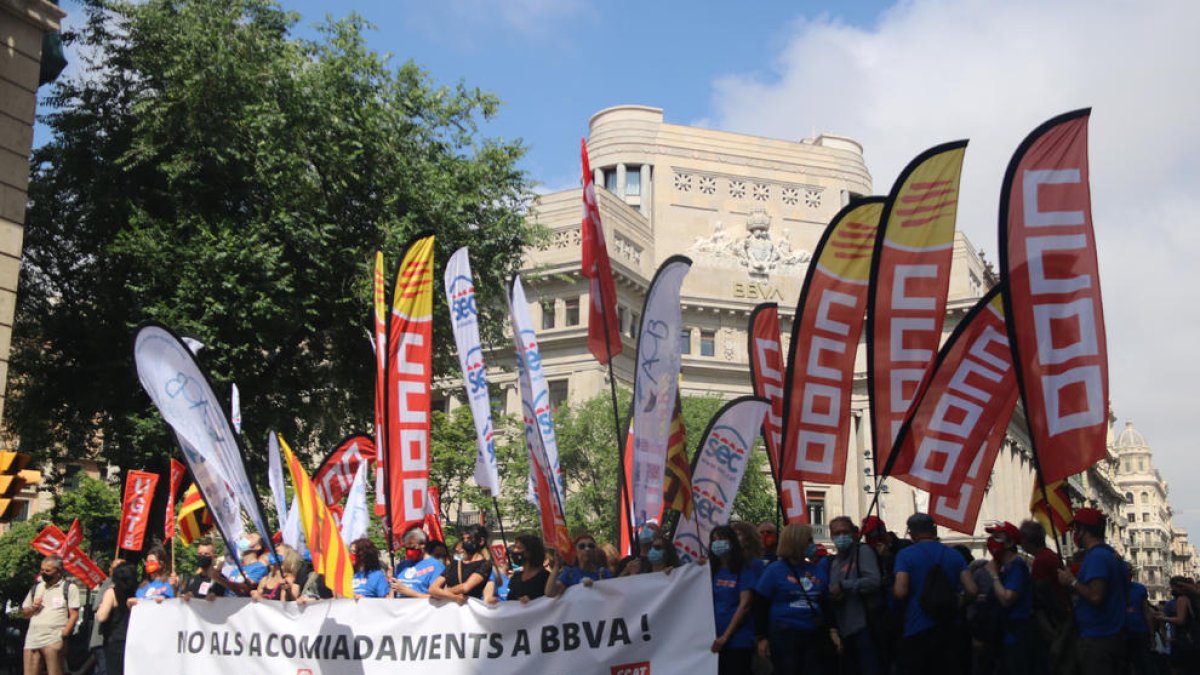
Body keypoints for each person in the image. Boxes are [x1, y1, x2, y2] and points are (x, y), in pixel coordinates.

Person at [892, 512, 977, 675]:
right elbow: (972, 590)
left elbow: (900, 591)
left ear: (911, 533)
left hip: (917, 627)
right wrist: (959, 601)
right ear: (934, 530)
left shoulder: (905, 555)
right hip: (951, 626)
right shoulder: (954, 555)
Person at [1057, 507, 1129, 674]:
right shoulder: (1112, 555)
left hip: (1098, 639)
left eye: (1076, 529)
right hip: (1112, 635)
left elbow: (1096, 596)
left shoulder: (1097, 557)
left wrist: (1071, 581)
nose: (1075, 534)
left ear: (1083, 530)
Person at [752, 523, 829, 674]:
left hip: (813, 635)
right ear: (797, 542)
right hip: (785, 636)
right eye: (809, 540)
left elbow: (824, 599)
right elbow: (760, 604)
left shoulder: (816, 568)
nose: (812, 544)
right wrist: (762, 638)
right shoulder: (775, 570)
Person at [983, 521, 1041, 675]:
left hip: (1017, 634)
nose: (992, 541)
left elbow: (1007, 598)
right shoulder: (1007, 566)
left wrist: (993, 575)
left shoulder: (1016, 567)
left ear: (1009, 542)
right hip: (1009, 633)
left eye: (998, 537)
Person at [828, 515, 883, 675]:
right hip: (843, 628)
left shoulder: (862, 552)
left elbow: (874, 581)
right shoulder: (833, 562)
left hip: (864, 625)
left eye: (845, 532)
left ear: (854, 533)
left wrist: (845, 586)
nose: (841, 537)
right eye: (837, 533)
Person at [21, 556, 81, 675]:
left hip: (54, 638)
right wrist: (33, 607)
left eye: (47, 571)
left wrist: (63, 635)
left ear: (58, 572)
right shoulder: (37, 587)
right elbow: (25, 614)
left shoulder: (69, 588)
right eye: (42, 570)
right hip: (33, 638)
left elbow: (74, 615)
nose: (43, 573)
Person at [707, 525, 754, 675]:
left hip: (738, 641)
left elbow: (745, 605)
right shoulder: (711, 569)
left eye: (721, 538)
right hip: (712, 640)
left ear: (732, 542)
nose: (717, 542)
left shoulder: (744, 569)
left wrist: (725, 636)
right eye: (714, 539)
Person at [430, 525, 491, 603]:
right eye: (463, 539)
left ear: (481, 541)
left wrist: (441, 592)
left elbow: (465, 587)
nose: (465, 541)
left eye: (469, 538)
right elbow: (432, 589)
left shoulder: (485, 565)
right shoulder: (454, 564)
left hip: (471, 611)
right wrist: (452, 596)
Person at [96, 563, 138, 675]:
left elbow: (102, 616)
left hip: (115, 639)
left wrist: (100, 607)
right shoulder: (138, 592)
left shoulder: (112, 592)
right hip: (133, 638)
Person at [546, 534, 612, 598]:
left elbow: (614, 595)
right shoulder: (569, 573)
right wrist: (557, 565)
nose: (587, 549)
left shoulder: (603, 573)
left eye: (591, 546)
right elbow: (550, 592)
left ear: (595, 550)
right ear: (575, 552)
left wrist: (595, 587)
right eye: (582, 546)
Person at [490, 534, 549, 603]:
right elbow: (510, 602)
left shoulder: (545, 577)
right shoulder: (516, 577)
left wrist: (531, 601)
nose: (514, 550)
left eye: (519, 548)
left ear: (529, 552)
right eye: (515, 547)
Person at [1164, 576, 1199, 674]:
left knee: (1179, 668)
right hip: (1194, 640)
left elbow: (1181, 620)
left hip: (1185, 641)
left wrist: (1163, 618)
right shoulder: (1194, 598)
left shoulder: (1181, 599)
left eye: (1172, 587)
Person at [1124, 563, 1155, 675]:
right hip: (1121, 633)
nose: (1129, 573)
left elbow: (1146, 612)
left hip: (1140, 632)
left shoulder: (1140, 589)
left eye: (1130, 571)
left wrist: (1151, 635)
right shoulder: (1113, 589)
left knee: (1143, 664)